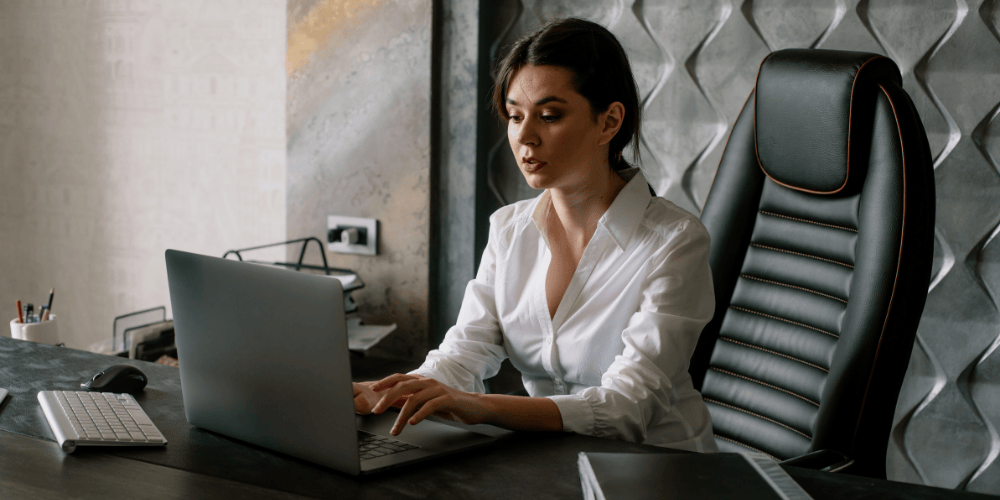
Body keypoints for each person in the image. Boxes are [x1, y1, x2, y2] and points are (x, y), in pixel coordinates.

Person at [354, 18, 717, 452]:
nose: (524, 136)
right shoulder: (508, 230)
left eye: (549, 116)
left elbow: (628, 407)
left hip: (663, 470)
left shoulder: (675, 241)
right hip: (553, 462)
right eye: (514, 115)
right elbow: (463, 356)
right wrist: (390, 392)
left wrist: (484, 407)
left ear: (609, 122)